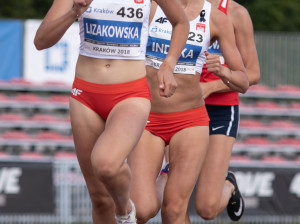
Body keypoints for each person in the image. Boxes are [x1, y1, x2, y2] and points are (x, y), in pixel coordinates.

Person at [34, 0, 189, 223]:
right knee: (99, 199)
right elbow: (40, 41)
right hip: (85, 95)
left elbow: (181, 21)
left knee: (106, 164)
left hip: (130, 94)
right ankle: (120, 209)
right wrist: (73, 14)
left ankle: (125, 210)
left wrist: (168, 64)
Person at [127, 0, 249, 223]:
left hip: (190, 120)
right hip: (148, 117)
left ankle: (225, 184)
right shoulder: (150, 7)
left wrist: (222, 70)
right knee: (142, 210)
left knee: (174, 209)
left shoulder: (216, 18)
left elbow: (243, 80)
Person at [193, 0, 260, 222]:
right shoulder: (177, 6)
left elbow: (253, 73)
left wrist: (211, 86)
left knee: (206, 208)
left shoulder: (236, 13)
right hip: (182, 105)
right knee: (171, 198)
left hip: (220, 109)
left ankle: (229, 184)